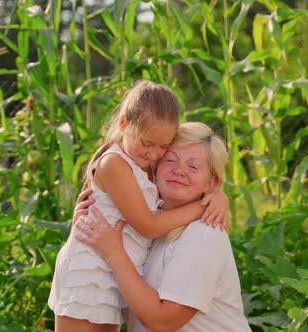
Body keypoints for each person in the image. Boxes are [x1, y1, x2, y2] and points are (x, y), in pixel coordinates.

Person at [48, 81, 228, 332]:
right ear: (123, 124)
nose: (155, 154)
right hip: (90, 266)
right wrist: (202, 207)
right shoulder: (115, 163)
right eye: (147, 143)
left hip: (116, 268)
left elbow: (186, 184)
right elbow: (148, 226)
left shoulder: (145, 160)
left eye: (164, 146)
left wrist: (219, 197)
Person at [76, 122, 251, 331]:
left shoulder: (204, 234)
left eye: (193, 166)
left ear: (210, 182)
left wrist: (114, 253)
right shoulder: (144, 227)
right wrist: (87, 222)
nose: (179, 171)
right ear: (156, 166)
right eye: (170, 160)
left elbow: (163, 321)